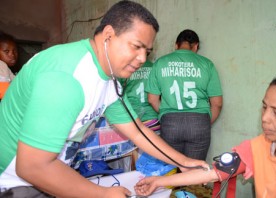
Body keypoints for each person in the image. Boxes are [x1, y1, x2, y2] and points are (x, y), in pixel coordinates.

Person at [0, 1, 207, 198]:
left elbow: (137, 130)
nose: (143, 59)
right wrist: (103, 194)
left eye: (147, 51)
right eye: (136, 46)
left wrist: (183, 161)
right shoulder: (67, 78)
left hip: (47, 171)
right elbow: (32, 166)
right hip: (13, 182)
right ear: (109, 34)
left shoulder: (110, 80)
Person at [135, 70, 276, 198]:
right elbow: (212, 174)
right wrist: (159, 181)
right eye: (265, 107)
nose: (265, 118)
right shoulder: (258, 147)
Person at [145, 29, 223, 160]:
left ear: (176, 45)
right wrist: (204, 122)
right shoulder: (207, 64)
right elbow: (217, 104)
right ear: (196, 46)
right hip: (200, 122)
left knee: (172, 170)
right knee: (195, 171)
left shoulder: (160, 63)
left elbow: (152, 99)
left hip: (170, 123)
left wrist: (166, 114)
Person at [122, 58, 160, 134]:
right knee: (154, 144)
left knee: (136, 144)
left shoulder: (127, 69)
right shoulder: (154, 67)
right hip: (152, 117)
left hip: (133, 116)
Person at [0, 32, 18, 99]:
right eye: (6, 51)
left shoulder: (6, 68)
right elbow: (5, 93)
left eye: (14, 51)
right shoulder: (1, 65)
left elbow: (16, 82)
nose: (12, 55)